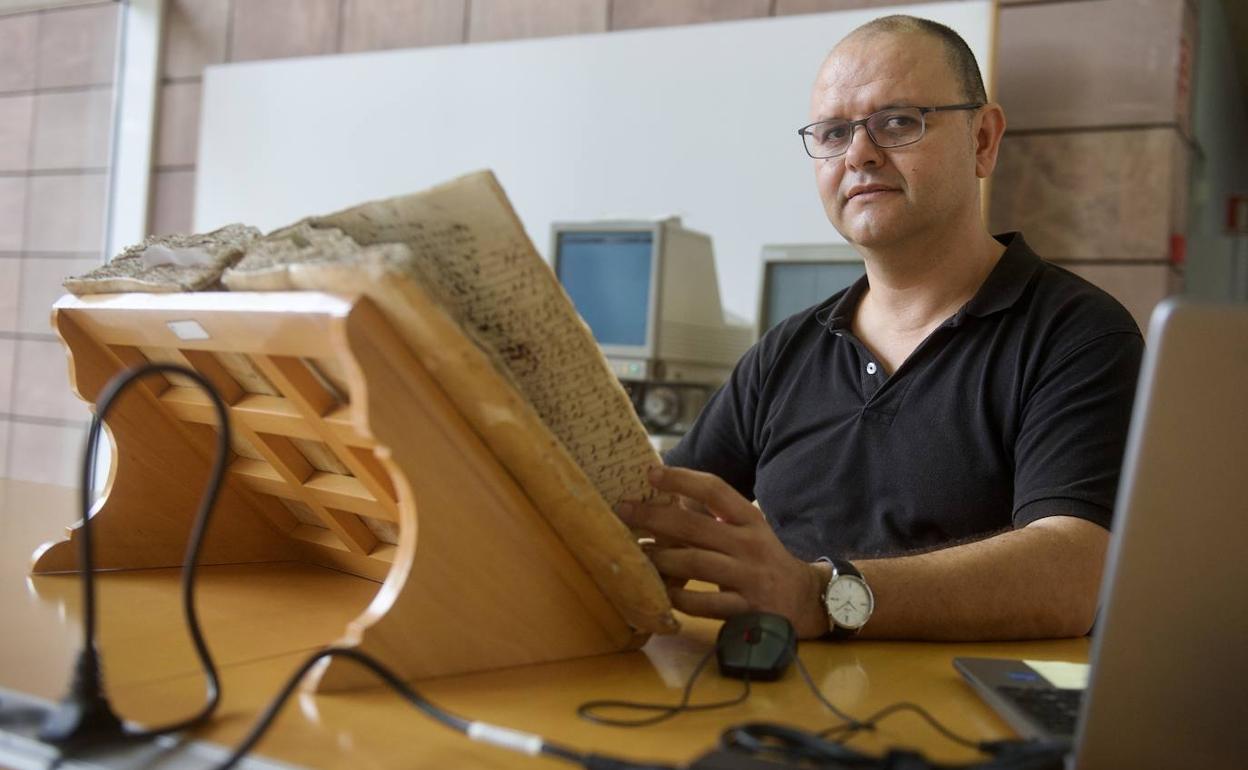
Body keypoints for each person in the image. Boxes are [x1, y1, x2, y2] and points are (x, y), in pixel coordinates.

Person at [614, 15, 1144, 641]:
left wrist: (822, 597)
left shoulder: (1080, 336)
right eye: (834, 133)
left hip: (963, 722)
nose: (859, 153)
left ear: (983, 140)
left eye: (898, 122)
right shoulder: (787, 350)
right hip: (778, 704)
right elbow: (667, 511)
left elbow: (1071, 575)